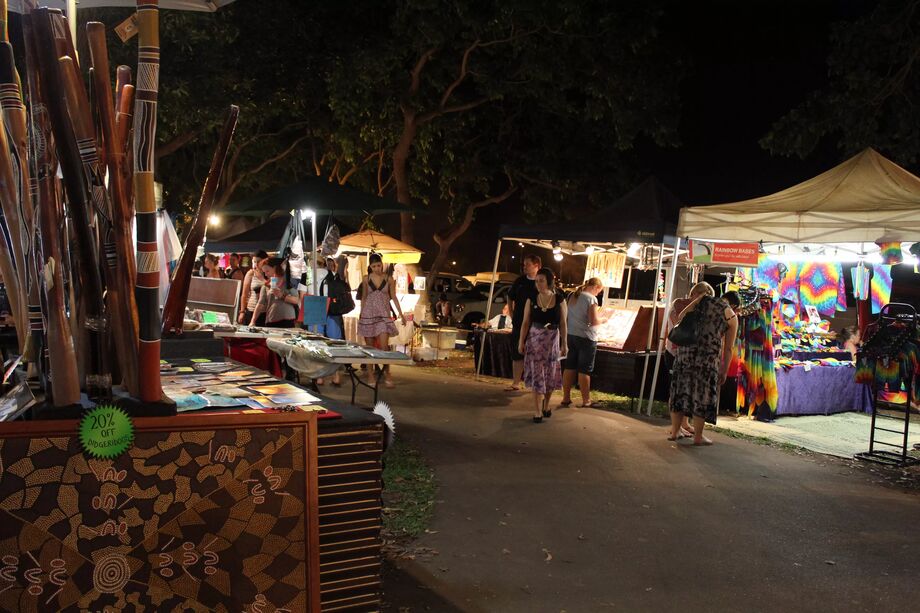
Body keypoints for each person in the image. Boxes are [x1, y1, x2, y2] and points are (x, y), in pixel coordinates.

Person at [667, 281, 738, 445]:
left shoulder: (695, 306)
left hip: (685, 355)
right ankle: (698, 436)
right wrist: (724, 370)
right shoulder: (729, 314)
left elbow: (680, 318)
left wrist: (696, 301)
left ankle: (675, 431)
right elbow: (729, 348)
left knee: (679, 391)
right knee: (703, 395)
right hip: (707, 360)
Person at [663, 283, 713, 437]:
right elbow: (678, 319)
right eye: (706, 297)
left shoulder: (694, 308)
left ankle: (683, 423)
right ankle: (674, 427)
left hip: (685, 354)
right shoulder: (680, 304)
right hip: (674, 351)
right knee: (677, 390)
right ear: (698, 294)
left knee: (685, 391)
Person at [519, 267, 567, 422]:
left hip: (552, 339)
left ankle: (546, 405)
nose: (538, 284)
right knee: (538, 373)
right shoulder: (532, 298)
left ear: (549, 282)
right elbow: (525, 322)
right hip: (535, 339)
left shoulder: (559, 299)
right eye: (537, 281)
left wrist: (564, 344)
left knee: (550, 373)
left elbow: (563, 323)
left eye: (542, 281)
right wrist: (521, 341)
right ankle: (538, 410)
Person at [357, 253, 407, 388]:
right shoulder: (366, 279)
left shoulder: (389, 279)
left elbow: (394, 297)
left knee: (385, 347)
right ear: (370, 267)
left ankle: (387, 373)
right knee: (369, 348)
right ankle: (371, 375)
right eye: (374, 266)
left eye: (378, 265)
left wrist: (401, 314)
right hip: (368, 315)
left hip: (384, 316)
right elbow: (364, 297)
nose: (377, 268)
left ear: (382, 264)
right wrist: (361, 314)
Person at [560, 277, 608, 408]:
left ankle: (566, 398)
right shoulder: (591, 299)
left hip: (570, 335)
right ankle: (586, 400)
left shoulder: (571, 295)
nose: (598, 294)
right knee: (584, 369)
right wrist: (604, 319)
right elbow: (593, 321)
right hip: (586, 338)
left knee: (569, 367)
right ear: (596, 287)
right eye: (599, 291)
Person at [507, 254, 541, 391]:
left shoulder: (541, 281)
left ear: (536, 265)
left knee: (534, 353)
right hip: (519, 322)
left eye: (528, 264)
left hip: (536, 323)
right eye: (524, 264)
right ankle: (515, 382)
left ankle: (534, 383)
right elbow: (510, 297)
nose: (524, 267)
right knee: (517, 352)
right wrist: (511, 312)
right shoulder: (520, 281)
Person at [318, 256, 353, 386]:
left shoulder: (335, 278)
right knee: (326, 343)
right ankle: (327, 375)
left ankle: (333, 374)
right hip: (327, 310)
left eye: (331, 265)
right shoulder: (323, 277)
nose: (329, 267)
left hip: (330, 311)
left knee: (331, 343)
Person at [249, 257, 299, 328]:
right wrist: (252, 321)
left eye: (267, 271)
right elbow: (260, 304)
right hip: (271, 320)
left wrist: (282, 296)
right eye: (264, 272)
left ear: (275, 268)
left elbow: (296, 300)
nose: (266, 274)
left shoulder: (288, 282)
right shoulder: (266, 285)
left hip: (288, 320)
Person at [239, 250, 268, 325]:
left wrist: (262, 278)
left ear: (265, 261)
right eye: (254, 261)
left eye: (258, 261)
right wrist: (242, 311)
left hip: (266, 312)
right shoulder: (251, 273)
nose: (256, 264)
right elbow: (244, 294)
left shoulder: (269, 273)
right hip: (251, 309)